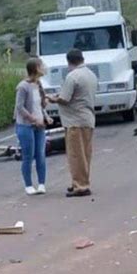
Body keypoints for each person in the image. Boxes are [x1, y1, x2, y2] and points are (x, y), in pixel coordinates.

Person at [48, 49, 97, 197]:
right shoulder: (90, 74)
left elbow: (65, 98)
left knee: (76, 155)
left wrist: (53, 98)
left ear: (69, 61)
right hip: (87, 118)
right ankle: (80, 181)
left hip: (75, 120)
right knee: (85, 154)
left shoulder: (72, 76)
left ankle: (80, 186)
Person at [14, 58, 53, 195]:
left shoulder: (39, 84)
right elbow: (20, 107)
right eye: (41, 66)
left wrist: (45, 115)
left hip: (40, 125)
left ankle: (41, 183)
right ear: (36, 68)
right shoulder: (23, 86)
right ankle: (28, 185)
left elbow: (39, 106)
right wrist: (33, 119)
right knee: (28, 155)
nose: (44, 68)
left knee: (40, 155)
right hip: (26, 125)